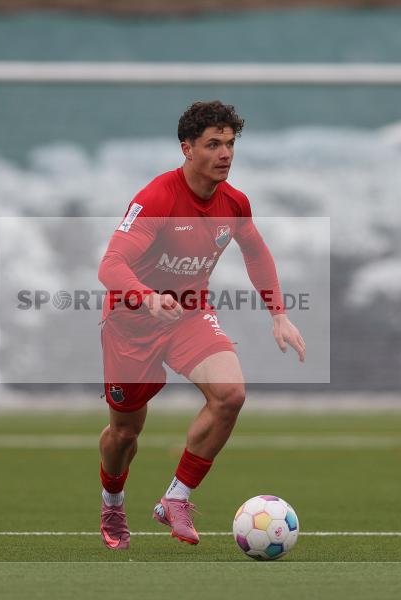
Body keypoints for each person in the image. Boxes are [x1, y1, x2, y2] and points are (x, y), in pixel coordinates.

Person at [95, 101, 306, 549]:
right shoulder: (157, 199)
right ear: (187, 149)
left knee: (231, 394)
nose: (224, 154)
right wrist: (147, 297)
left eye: (229, 144)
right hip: (132, 324)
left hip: (189, 314)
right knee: (124, 434)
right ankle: (112, 501)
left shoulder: (234, 203)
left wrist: (279, 313)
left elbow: (255, 251)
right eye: (212, 144)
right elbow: (110, 265)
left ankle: (176, 498)